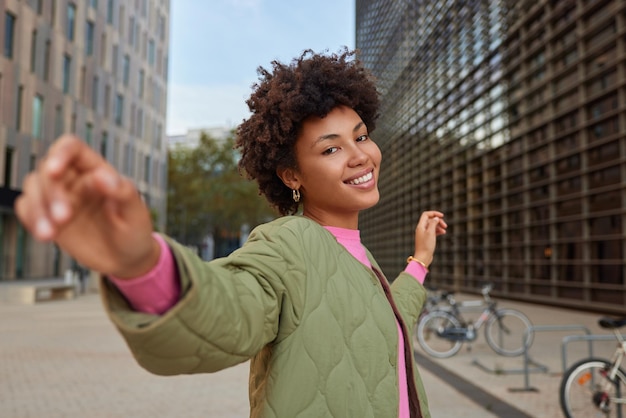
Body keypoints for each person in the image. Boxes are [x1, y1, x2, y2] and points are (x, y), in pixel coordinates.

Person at [15, 49, 447, 418]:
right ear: (292, 174)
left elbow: (386, 320)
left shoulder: (360, 256)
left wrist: (420, 260)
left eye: (362, 137)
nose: (360, 156)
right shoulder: (289, 244)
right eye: (331, 148)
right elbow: (230, 309)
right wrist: (143, 265)